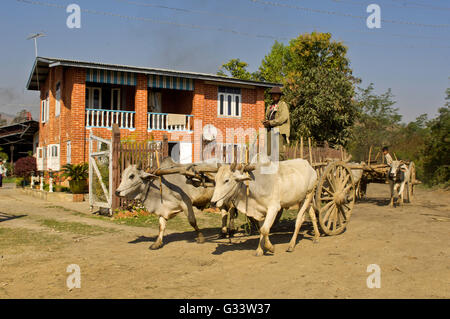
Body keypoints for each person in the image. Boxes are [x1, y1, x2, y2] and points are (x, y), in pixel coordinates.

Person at [262, 86, 290, 161]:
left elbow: (283, 117)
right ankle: (270, 168)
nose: (274, 96)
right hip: (269, 131)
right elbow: (267, 117)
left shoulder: (282, 105)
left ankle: (280, 169)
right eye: (273, 94)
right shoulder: (269, 106)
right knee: (268, 152)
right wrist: (265, 122)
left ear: (279, 95)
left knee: (278, 152)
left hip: (279, 130)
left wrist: (271, 122)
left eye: (276, 94)